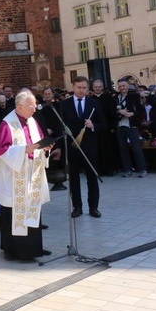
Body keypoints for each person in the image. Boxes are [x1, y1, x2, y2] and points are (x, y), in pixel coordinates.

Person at [0, 90, 52, 261]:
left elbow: (38, 141)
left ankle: (33, 248)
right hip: (14, 175)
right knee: (14, 212)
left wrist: (45, 147)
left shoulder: (32, 121)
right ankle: (14, 251)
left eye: (35, 106)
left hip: (31, 173)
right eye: (31, 106)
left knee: (32, 209)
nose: (34, 110)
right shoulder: (7, 124)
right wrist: (24, 150)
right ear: (19, 106)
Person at [61, 76, 105, 218]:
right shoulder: (65, 104)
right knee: (74, 178)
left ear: (87, 89)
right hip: (73, 145)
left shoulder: (93, 103)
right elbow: (60, 125)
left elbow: (104, 123)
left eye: (84, 88)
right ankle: (77, 207)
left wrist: (93, 126)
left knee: (92, 176)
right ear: (73, 87)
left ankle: (93, 207)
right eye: (79, 87)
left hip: (89, 146)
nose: (81, 90)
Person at [114, 79, 147, 178]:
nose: (121, 88)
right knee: (123, 149)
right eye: (120, 86)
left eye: (123, 86)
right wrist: (119, 112)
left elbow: (141, 110)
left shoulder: (134, 96)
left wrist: (131, 113)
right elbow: (111, 111)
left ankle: (142, 169)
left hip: (131, 125)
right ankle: (128, 169)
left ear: (127, 86)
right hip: (120, 126)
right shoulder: (115, 97)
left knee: (136, 148)